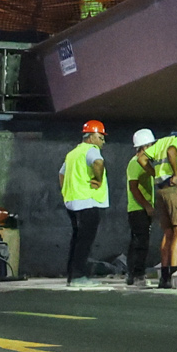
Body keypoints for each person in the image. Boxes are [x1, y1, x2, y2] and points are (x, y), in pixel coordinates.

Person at [146, 119, 177, 288]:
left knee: (168, 233)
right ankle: (174, 275)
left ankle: (164, 276)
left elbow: (142, 159)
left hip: (160, 190)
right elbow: (172, 151)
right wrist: (175, 173)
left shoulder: (160, 141)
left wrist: (154, 174)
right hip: (174, 189)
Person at [61, 121, 109, 286]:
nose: (103, 141)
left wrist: (66, 189)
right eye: (101, 137)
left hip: (72, 202)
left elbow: (61, 174)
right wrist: (98, 179)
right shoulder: (91, 150)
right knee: (85, 241)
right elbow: (98, 163)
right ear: (91, 136)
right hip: (89, 201)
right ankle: (78, 276)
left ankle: (72, 275)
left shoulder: (72, 153)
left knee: (77, 239)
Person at [124, 128, 159, 286]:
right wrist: (146, 206)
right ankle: (138, 275)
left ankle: (132, 275)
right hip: (138, 209)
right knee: (141, 243)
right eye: (151, 145)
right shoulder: (135, 163)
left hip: (139, 209)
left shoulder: (144, 163)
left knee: (136, 242)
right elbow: (133, 187)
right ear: (144, 146)